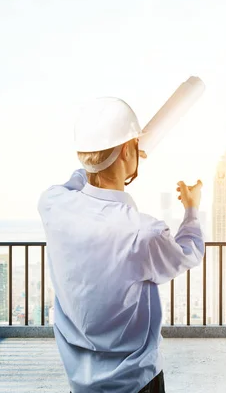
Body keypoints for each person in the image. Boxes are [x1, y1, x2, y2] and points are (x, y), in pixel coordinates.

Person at [38, 97, 204, 393]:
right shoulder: (142, 232)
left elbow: (80, 178)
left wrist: (119, 158)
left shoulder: (52, 204)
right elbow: (188, 254)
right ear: (128, 149)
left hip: (79, 382)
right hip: (135, 381)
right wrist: (191, 210)